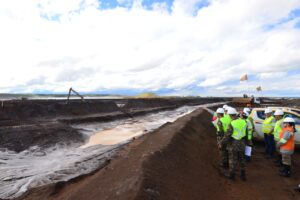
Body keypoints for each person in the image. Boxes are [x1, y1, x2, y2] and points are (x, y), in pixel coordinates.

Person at [219, 107, 247, 181]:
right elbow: (246, 133)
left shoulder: (232, 123)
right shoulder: (244, 121)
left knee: (232, 160)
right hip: (242, 143)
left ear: (230, 115)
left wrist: (221, 143)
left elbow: (227, 135)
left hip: (233, 144)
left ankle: (232, 175)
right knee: (242, 159)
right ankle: (243, 175)